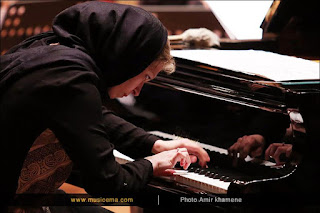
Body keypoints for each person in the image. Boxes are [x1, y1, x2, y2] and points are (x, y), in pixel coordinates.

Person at [0, 1, 210, 208]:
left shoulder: (52, 50)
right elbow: (109, 184)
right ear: (128, 60)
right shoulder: (71, 78)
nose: (138, 91)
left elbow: (86, 115)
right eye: (145, 77)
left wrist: (153, 144)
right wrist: (152, 164)